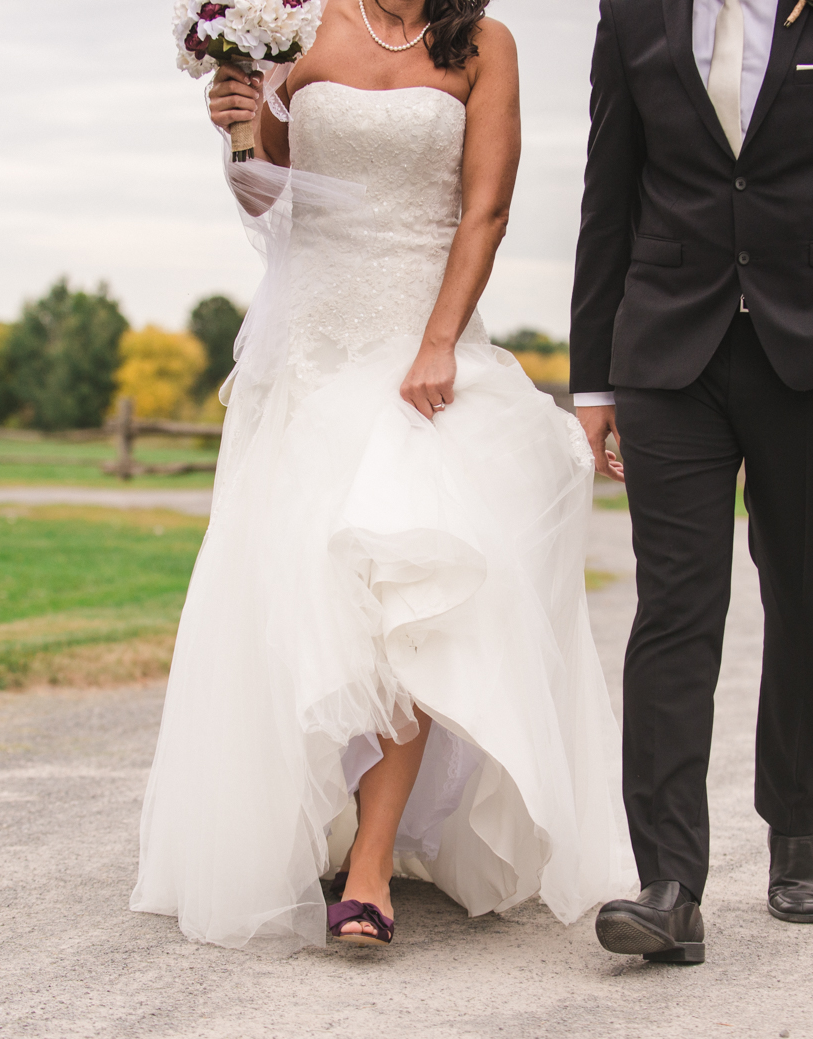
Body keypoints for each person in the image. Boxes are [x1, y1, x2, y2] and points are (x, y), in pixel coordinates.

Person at [131, 0, 635, 952]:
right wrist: (238, 124)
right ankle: (315, 820)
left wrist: (439, 341)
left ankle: (369, 862)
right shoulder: (297, 29)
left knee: (413, 586)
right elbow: (266, 192)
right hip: (312, 346)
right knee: (308, 596)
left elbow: (486, 204)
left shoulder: (486, 45)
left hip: (421, 352)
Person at [571, 0, 813, 963]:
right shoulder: (633, 15)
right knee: (675, 608)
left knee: (805, 597)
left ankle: (794, 825)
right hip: (670, 354)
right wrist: (593, 378)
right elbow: (607, 195)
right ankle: (670, 883)